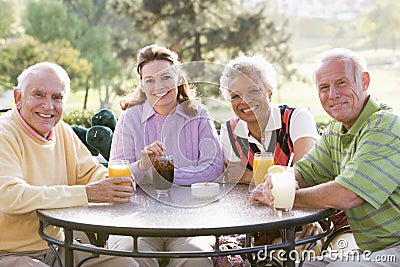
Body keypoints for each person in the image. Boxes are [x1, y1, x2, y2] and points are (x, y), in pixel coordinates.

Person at [250, 48, 400, 266]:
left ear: (364, 81)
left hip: (395, 247)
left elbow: (348, 194)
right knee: (303, 264)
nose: (332, 95)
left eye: (341, 83)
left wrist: (284, 197)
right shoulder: (337, 129)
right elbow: (305, 171)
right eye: (324, 87)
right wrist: (272, 184)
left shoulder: (385, 125)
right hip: (375, 250)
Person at [0, 62, 138, 267]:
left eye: (57, 97)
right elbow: (10, 197)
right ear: (18, 97)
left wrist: (112, 183)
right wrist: (87, 193)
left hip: (60, 247)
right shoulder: (5, 134)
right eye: (38, 95)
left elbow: (91, 173)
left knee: (126, 265)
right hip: (8, 253)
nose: (48, 106)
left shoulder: (62, 130)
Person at [107, 44, 224, 267]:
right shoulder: (130, 117)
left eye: (165, 77)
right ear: (141, 83)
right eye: (149, 80)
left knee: (196, 261)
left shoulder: (197, 114)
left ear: (179, 78)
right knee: (130, 259)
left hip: (190, 220)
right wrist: (142, 166)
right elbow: (116, 176)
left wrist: (162, 175)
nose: (158, 86)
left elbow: (214, 167)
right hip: (135, 220)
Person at [219, 54, 320, 185]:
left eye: (254, 91)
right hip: (253, 203)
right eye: (236, 96)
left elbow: (305, 176)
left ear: (269, 93)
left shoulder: (297, 118)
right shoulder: (229, 131)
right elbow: (233, 178)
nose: (245, 100)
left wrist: (249, 177)